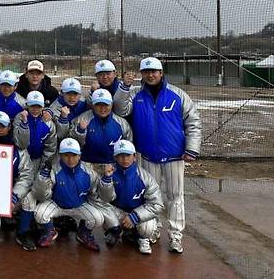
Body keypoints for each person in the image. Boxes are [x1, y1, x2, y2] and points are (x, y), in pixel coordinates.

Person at [126, 57, 201, 254]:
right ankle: (153, 230)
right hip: (147, 155)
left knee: (175, 196)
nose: (151, 75)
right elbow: (120, 109)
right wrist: (124, 87)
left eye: (154, 71)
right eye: (146, 71)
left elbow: (193, 121)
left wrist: (191, 148)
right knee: (151, 196)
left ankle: (176, 235)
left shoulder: (177, 95)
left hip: (174, 156)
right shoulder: (135, 95)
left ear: (161, 73)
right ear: (142, 74)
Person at [33, 138, 104, 252]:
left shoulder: (89, 172)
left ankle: (83, 232)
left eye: (74, 155)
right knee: (39, 213)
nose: (70, 159)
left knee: (98, 218)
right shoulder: (54, 170)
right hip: (57, 204)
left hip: (78, 206)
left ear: (79, 155)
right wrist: (42, 179)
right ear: (60, 155)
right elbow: (41, 196)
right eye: (66, 155)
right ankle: (50, 231)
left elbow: (95, 194)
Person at [99, 140, 164, 255]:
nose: (124, 159)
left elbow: (157, 204)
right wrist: (107, 180)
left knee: (147, 227)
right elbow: (105, 199)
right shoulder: (109, 173)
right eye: (121, 155)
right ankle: (116, 232)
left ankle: (143, 238)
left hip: (138, 213)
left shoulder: (145, 177)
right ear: (115, 157)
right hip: (119, 211)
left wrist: (135, 217)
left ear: (134, 157)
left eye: (128, 155)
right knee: (103, 213)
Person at [12, 91, 57, 250]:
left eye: (38, 106)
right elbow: (21, 144)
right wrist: (24, 123)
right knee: (25, 193)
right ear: (27, 105)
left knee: (40, 192)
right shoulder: (20, 117)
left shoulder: (48, 122)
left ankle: (45, 227)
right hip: (24, 159)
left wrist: (46, 165)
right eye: (32, 106)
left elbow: (50, 147)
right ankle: (23, 231)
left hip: (39, 161)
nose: (35, 109)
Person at [0, 112, 34, 244]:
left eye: (3, 126)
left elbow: (26, 176)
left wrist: (14, 196)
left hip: (10, 195)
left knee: (30, 198)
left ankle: (23, 231)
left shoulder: (18, 149)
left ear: (9, 127)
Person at [70, 89, 133, 171]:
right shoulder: (81, 119)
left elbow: (129, 146)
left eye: (106, 105)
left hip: (113, 166)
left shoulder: (122, 123)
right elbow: (72, 144)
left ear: (111, 104)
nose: (102, 108)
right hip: (87, 165)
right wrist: (80, 131)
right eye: (98, 105)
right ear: (92, 105)